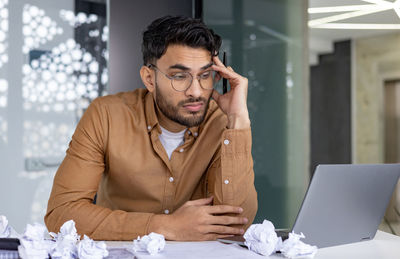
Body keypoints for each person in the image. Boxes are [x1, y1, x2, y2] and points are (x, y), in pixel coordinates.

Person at [45, 15, 257, 241]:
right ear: (149, 78)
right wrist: (165, 226)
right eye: (179, 76)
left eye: (205, 75)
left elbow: (236, 223)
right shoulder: (106, 115)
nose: (196, 91)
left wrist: (238, 121)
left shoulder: (221, 121)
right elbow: (61, 214)